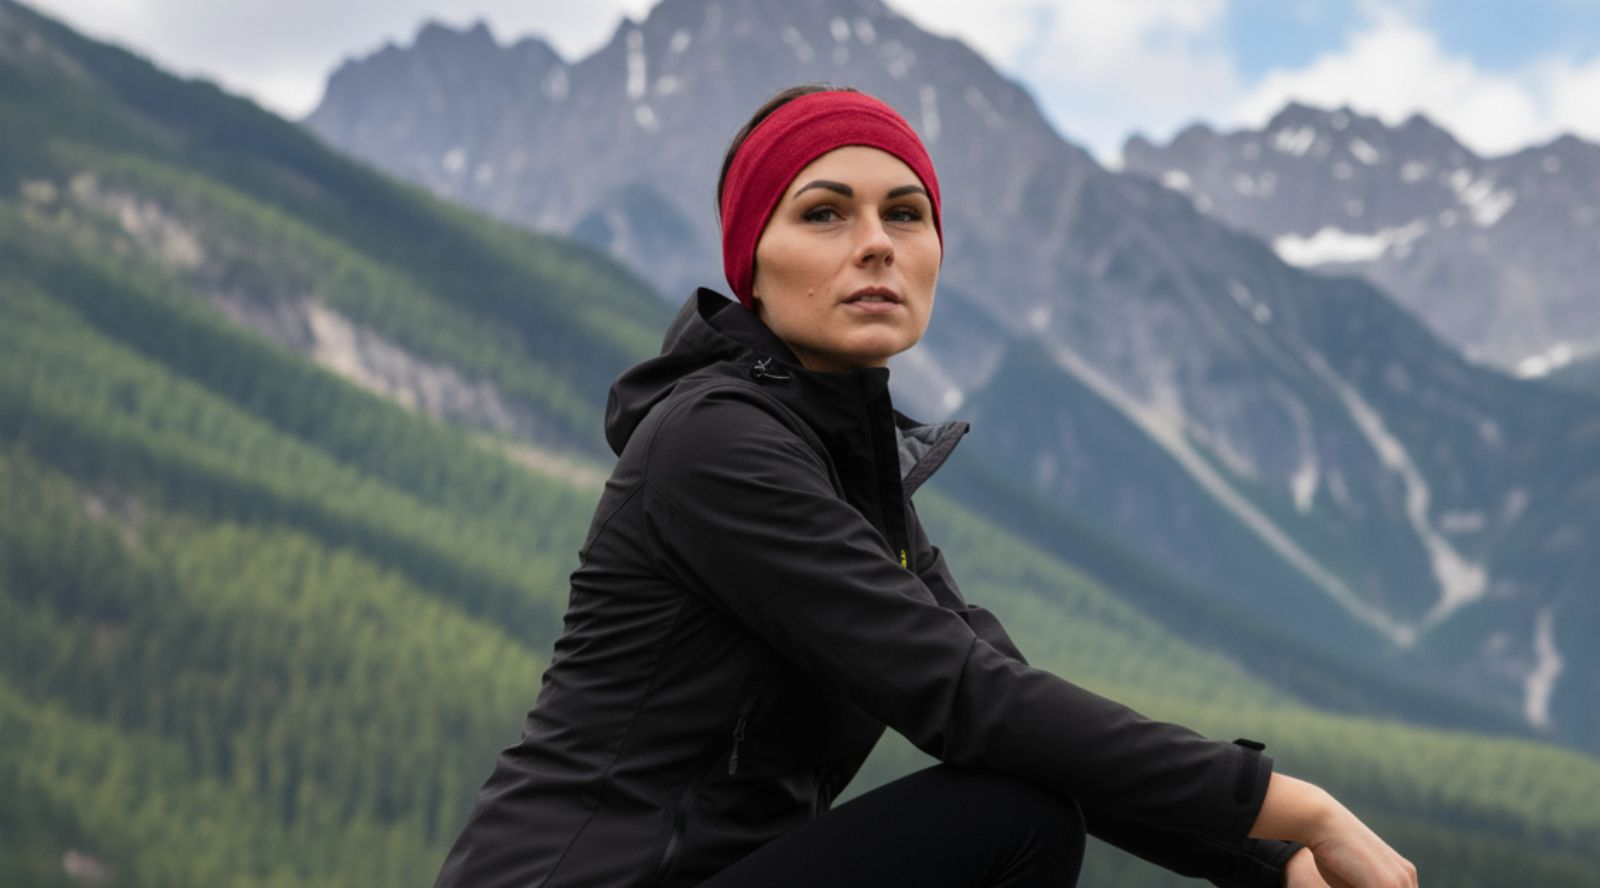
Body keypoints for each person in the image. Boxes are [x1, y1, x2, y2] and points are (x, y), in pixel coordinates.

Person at [432, 85, 1419, 888]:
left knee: (1026, 793)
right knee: (1008, 822)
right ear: (753, 270)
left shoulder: (849, 472)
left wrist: (1272, 861)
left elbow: (1015, 705)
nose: (877, 244)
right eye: (824, 213)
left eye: (905, 215)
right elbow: (962, 697)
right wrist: (1302, 807)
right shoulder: (713, 445)